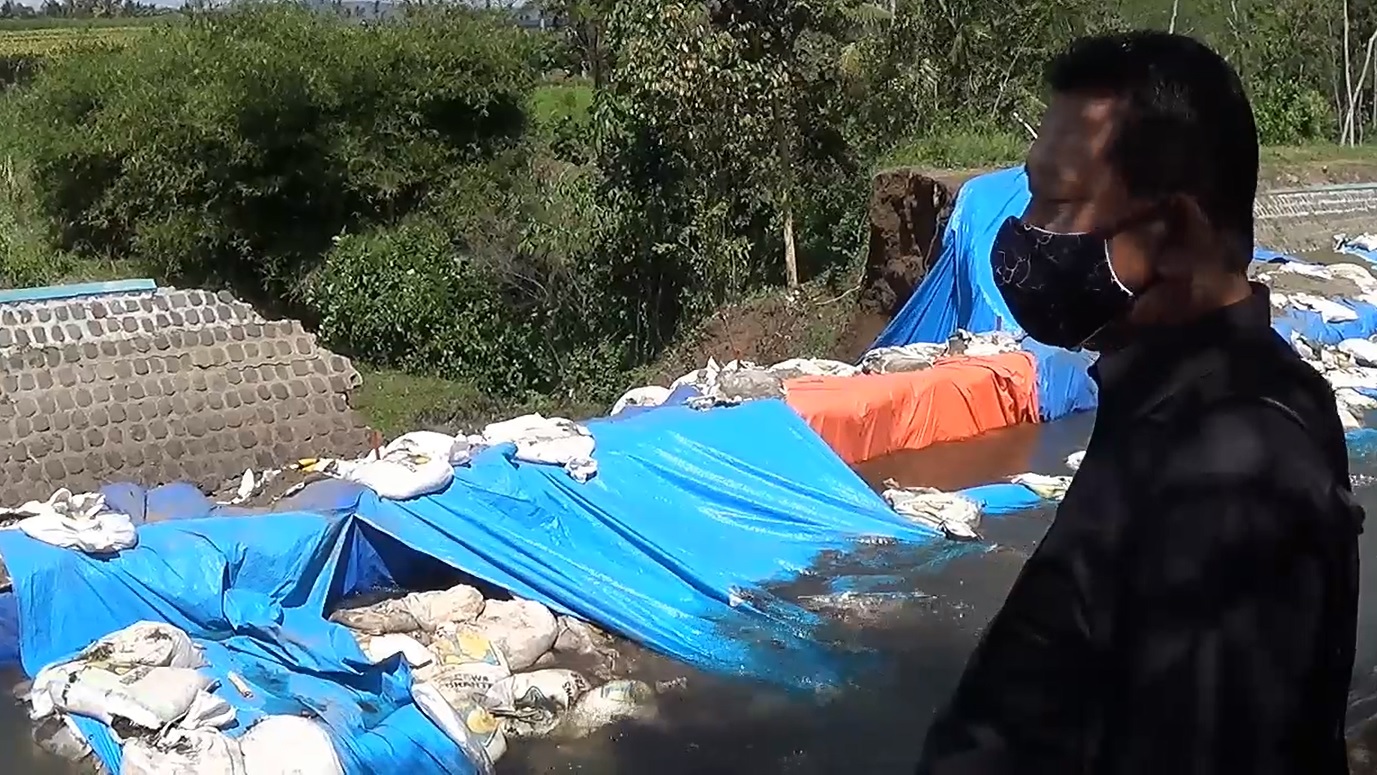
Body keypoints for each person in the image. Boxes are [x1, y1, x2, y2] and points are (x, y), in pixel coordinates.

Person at [915, 31, 1364, 775]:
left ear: (1177, 231)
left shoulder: (1231, 473)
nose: (1026, 234)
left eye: (1056, 203)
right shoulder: (1181, 405)